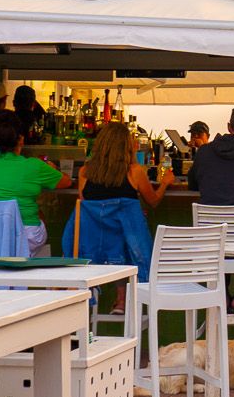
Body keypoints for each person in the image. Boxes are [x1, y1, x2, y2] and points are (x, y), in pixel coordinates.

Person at [61, 122, 168, 285]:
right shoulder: (134, 171)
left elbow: (86, 208)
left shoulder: (85, 172)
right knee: (127, 230)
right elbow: (153, 201)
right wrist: (165, 183)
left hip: (92, 246)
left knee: (119, 231)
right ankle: (122, 296)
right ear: (127, 146)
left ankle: (104, 293)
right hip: (127, 246)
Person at [0, 118, 69, 256]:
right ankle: (33, 261)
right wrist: (52, 169)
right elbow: (66, 182)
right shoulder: (34, 165)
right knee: (39, 213)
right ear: (21, 140)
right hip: (26, 237)